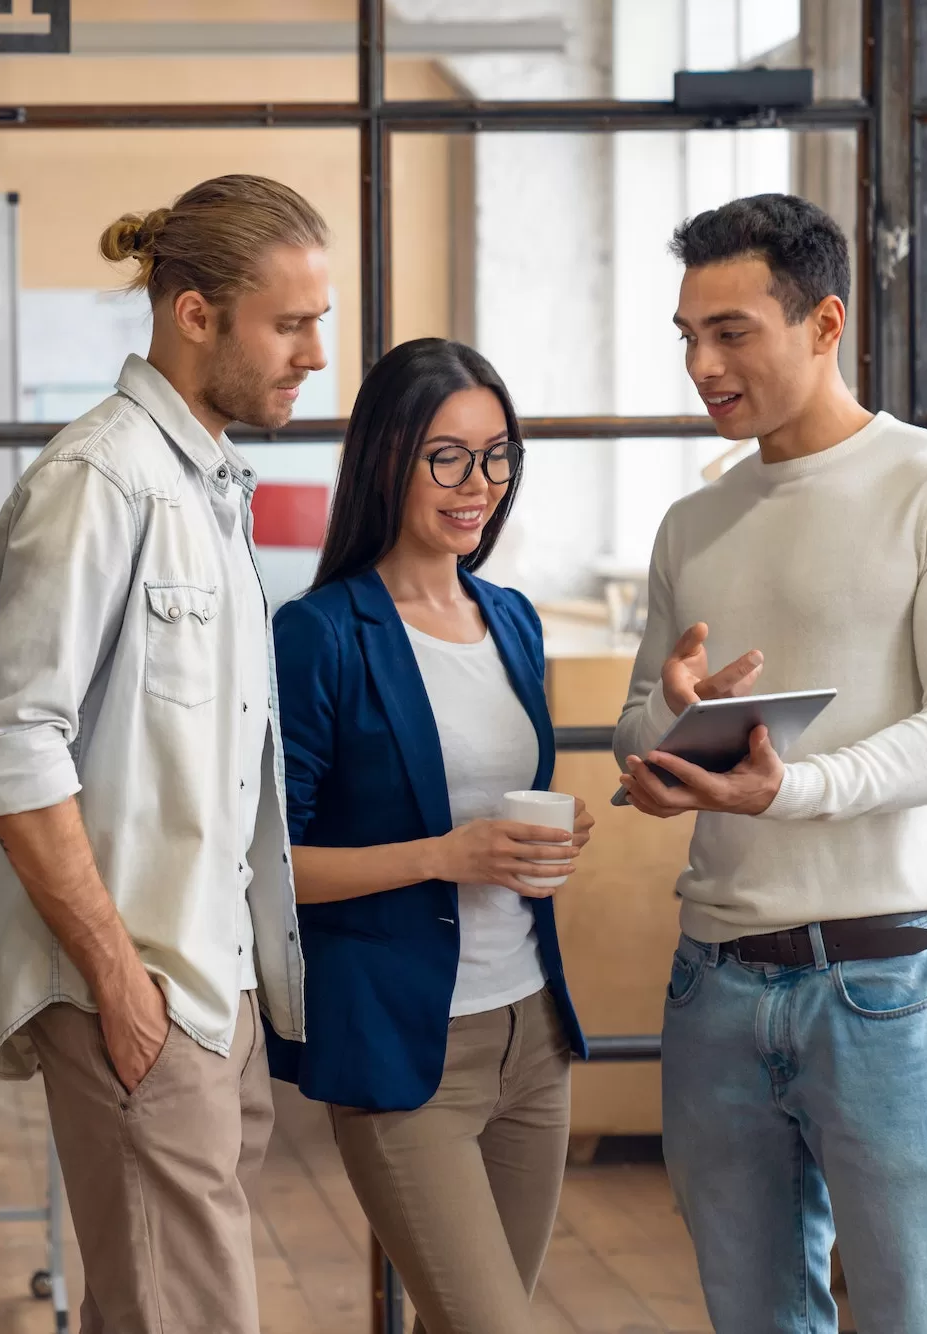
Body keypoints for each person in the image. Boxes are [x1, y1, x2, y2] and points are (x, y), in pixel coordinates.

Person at [614, 194, 927, 1333]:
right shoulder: (690, 525)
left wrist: (789, 786)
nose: (701, 364)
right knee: (752, 1315)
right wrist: (664, 735)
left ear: (822, 323)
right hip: (711, 979)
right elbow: (629, 731)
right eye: (686, 336)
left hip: (884, 982)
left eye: (730, 331)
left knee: (921, 1315)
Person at [0, 174, 329, 1333]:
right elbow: (14, 742)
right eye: (291, 322)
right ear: (193, 313)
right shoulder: (99, 478)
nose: (314, 353)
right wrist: (120, 983)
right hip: (142, 996)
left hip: (209, 1001)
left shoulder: (204, 483)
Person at [267, 338, 592, 1334]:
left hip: (530, 1036)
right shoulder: (319, 633)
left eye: (496, 455)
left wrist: (551, 830)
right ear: (384, 457)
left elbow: (502, 800)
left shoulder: (512, 619)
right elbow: (268, 870)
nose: (476, 484)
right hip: (409, 1054)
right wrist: (447, 854)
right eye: (445, 455)